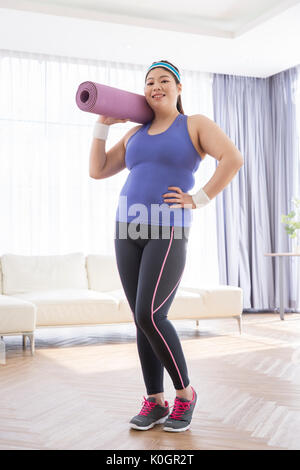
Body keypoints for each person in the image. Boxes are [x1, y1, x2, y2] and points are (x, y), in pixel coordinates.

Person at [89, 60, 243, 432]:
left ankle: (185, 394)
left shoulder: (194, 124)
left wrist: (199, 198)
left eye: (163, 81)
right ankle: (154, 401)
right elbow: (98, 169)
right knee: (141, 321)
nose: (155, 86)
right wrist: (101, 126)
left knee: (150, 315)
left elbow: (232, 159)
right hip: (126, 227)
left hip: (167, 229)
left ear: (179, 87)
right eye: (149, 82)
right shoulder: (137, 133)